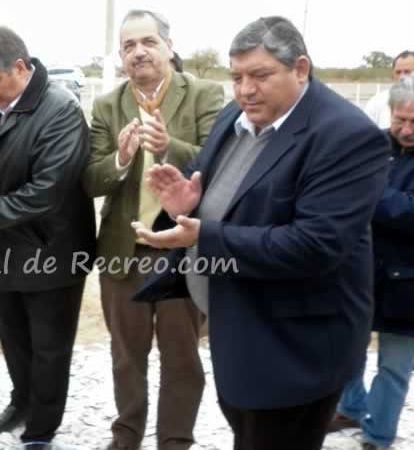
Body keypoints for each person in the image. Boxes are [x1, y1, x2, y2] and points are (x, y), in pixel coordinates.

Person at [132, 16, 389, 450]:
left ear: (301, 69)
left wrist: (205, 235)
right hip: (239, 322)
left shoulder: (346, 136)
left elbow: (316, 246)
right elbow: (221, 183)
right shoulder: (239, 112)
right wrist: (189, 198)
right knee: (248, 433)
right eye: (236, 76)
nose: (245, 88)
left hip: (294, 345)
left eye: (260, 75)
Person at [0, 26, 96, 448]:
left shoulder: (61, 109)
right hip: (6, 246)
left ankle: (41, 429)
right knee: (15, 336)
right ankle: (21, 400)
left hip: (53, 248)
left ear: (21, 68)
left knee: (49, 346)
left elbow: (48, 191)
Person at [82, 9, 223, 450]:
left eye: (148, 42)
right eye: (128, 46)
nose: (138, 52)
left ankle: (175, 440)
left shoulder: (204, 95)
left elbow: (219, 165)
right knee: (127, 356)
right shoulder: (108, 104)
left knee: (182, 356)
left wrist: (171, 148)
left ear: (168, 46)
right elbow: (89, 179)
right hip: (126, 252)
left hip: (182, 250)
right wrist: (121, 161)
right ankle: (127, 435)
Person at [328, 71, 414, 450]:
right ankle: (350, 406)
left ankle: (378, 435)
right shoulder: (373, 145)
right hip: (358, 273)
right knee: (346, 351)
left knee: (394, 367)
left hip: (411, 278)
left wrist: (371, 198)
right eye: (400, 119)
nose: (406, 129)